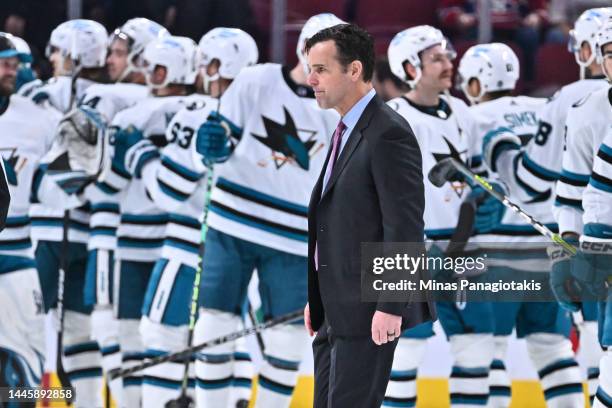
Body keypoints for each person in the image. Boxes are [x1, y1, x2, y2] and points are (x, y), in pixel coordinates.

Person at [191, 13, 341, 408]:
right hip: (232, 224)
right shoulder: (256, 80)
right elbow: (221, 136)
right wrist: (213, 142)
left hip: (294, 239)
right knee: (214, 322)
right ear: (303, 51)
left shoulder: (341, 110)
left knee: (289, 340)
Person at [117, 27, 258, 407]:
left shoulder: (197, 112)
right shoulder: (263, 114)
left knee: (161, 337)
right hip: (244, 252)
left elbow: (167, 191)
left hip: (189, 248)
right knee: (229, 340)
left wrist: (139, 155)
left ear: (217, 65)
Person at [482, 8, 611, 401]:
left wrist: (500, 152)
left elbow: (530, 185)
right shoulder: (586, 108)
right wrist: (564, 257)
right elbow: (571, 195)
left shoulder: (572, 102)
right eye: (609, 50)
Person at [304, 23, 432, 407]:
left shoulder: (387, 132)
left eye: (321, 69)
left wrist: (392, 306)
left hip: (368, 310)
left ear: (355, 70)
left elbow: (405, 226)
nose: (311, 79)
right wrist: (318, 295)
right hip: (335, 309)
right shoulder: (346, 128)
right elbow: (337, 221)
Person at [460, 43, 584, 407]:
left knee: (490, 350)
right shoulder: (544, 109)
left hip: (495, 254)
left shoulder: (470, 118)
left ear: (476, 84)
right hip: (550, 248)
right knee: (553, 349)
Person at [0, 31, 58, 392]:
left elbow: (56, 188)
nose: (12, 70)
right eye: (4, 63)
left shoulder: (40, 119)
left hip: (19, 255)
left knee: (26, 368)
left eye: (15, 64)